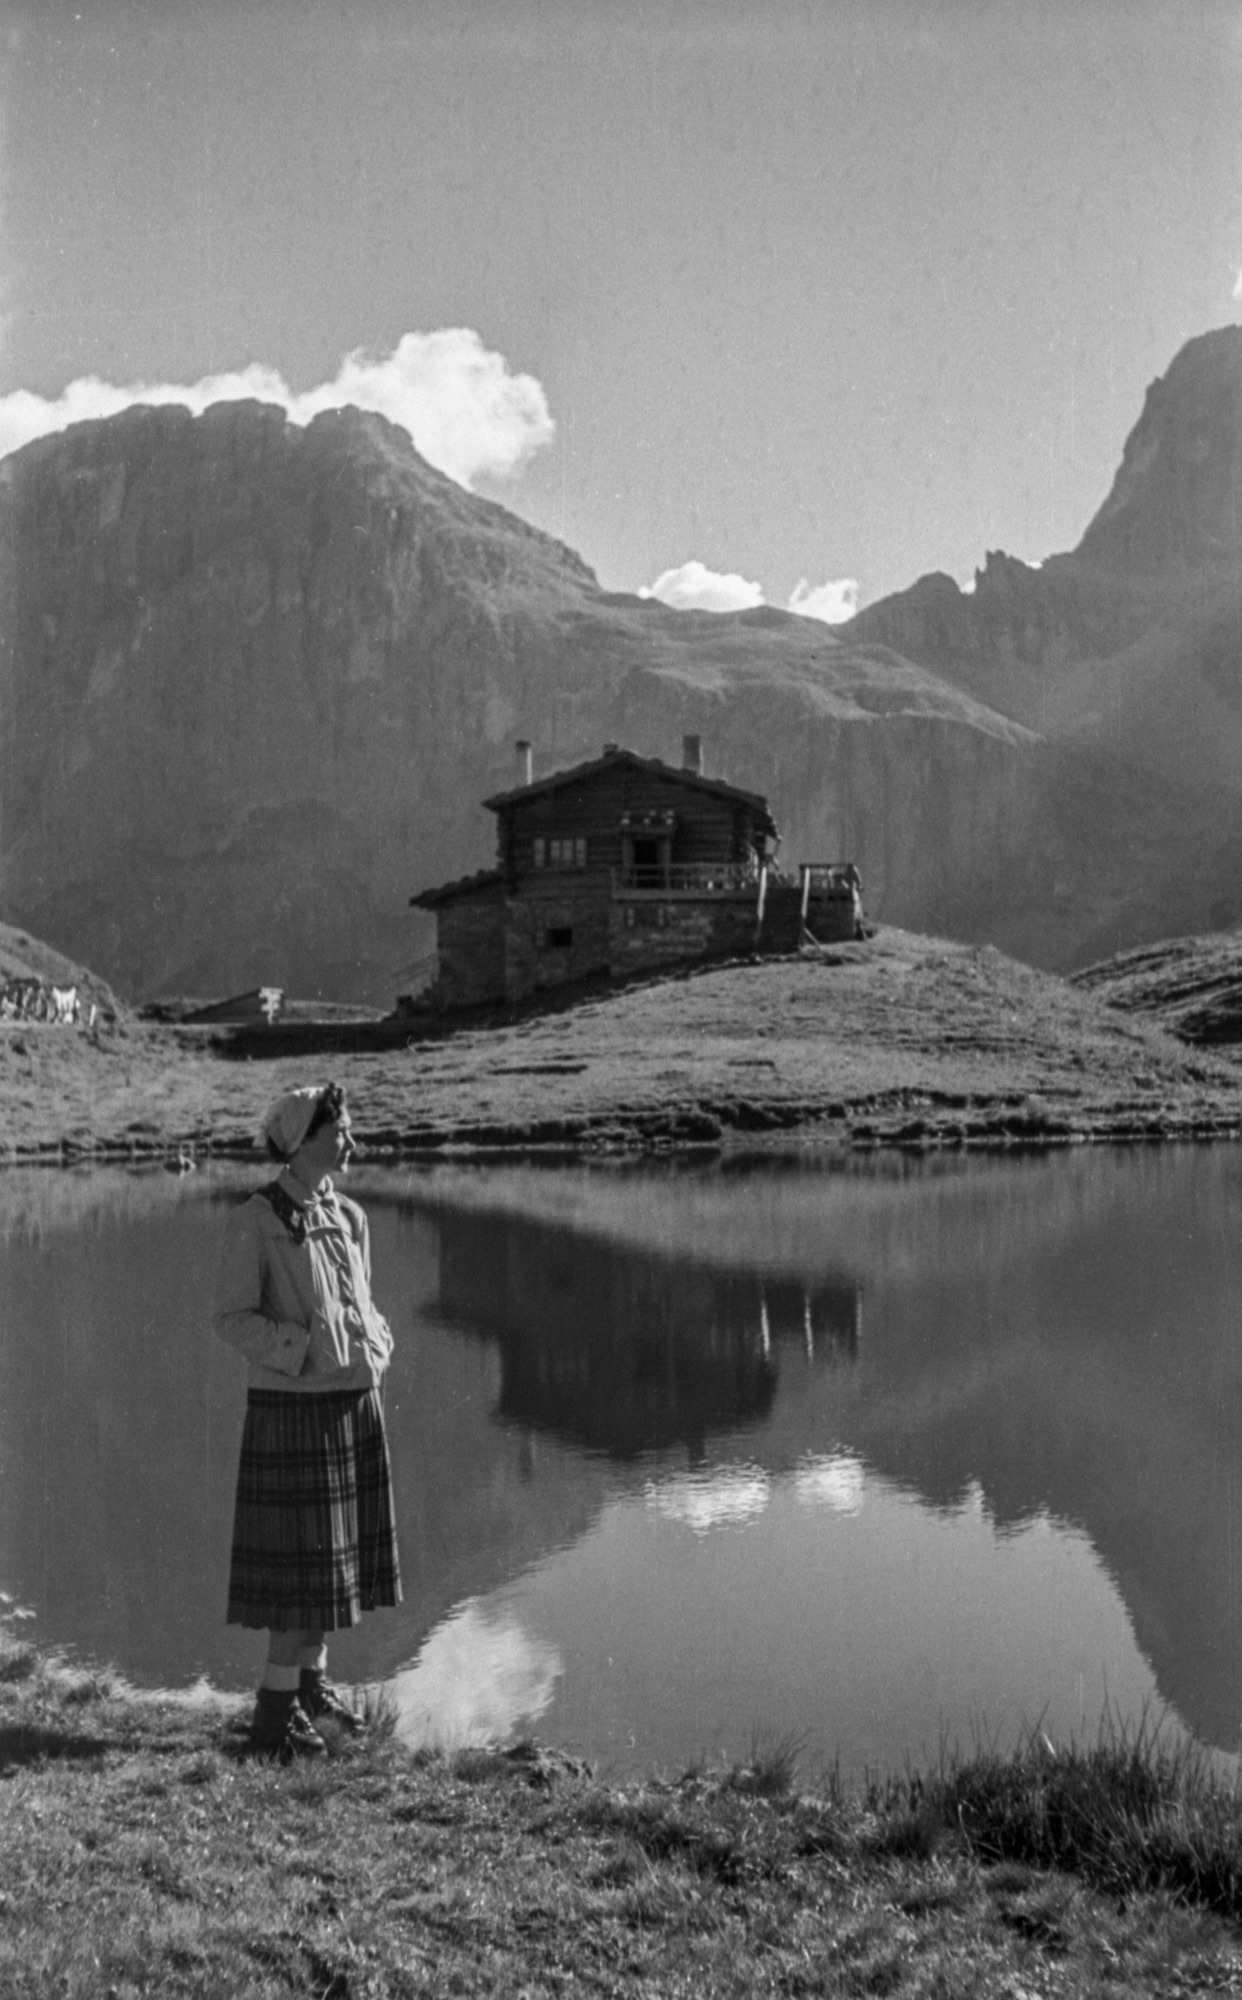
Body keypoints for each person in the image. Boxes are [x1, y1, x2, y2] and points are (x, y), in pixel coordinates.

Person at [214, 1082, 401, 1758]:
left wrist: (374, 1347)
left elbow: (364, 1302)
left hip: (351, 1402)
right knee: (298, 1577)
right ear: (303, 1140)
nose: (350, 1141)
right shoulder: (255, 1218)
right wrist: (300, 1354)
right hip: (291, 1411)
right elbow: (231, 1319)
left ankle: (310, 1691)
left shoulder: (350, 1216)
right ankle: (272, 1717)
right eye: (341, 1130)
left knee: (328, 1568)